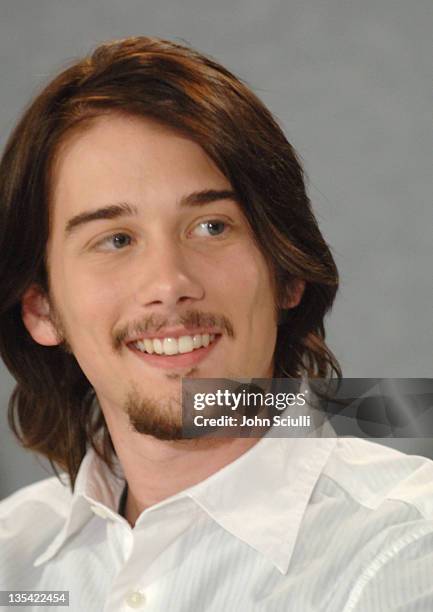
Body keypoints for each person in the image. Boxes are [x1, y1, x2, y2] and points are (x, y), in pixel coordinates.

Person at [0, 36, 432, 612]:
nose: (168, 282)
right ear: (41, 309)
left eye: (211, 227)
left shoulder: (405, 550)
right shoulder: (14, 561)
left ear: (285, 272)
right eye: (116, 240)